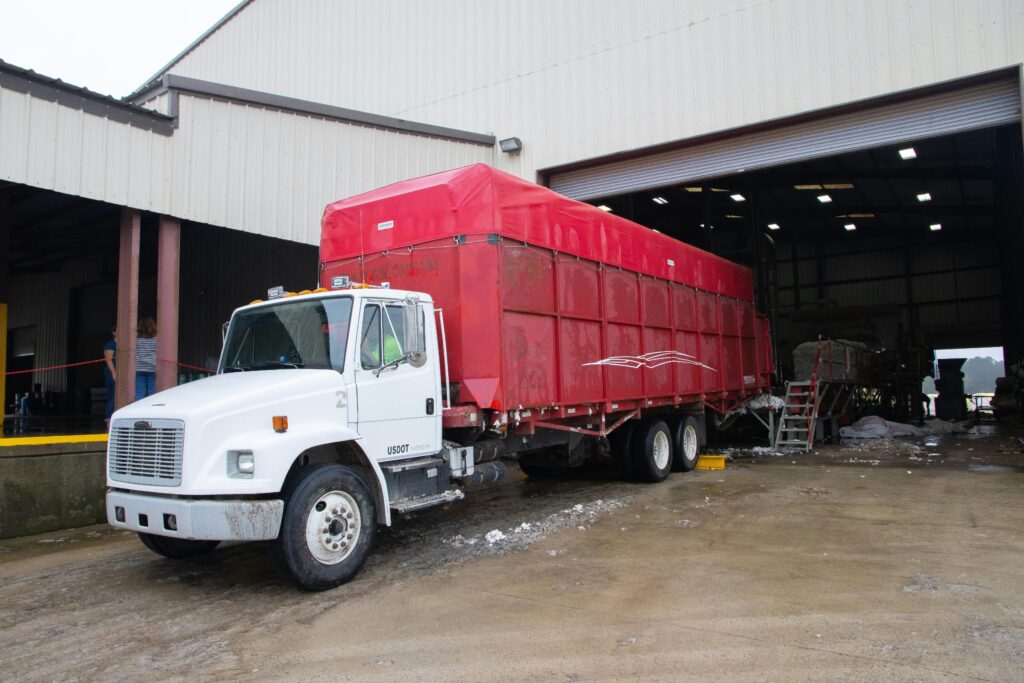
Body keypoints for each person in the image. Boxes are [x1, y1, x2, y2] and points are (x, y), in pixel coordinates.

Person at [135, 318, 158, 400]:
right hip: (153, 368)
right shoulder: (157, 340)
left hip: (139, 368)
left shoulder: (136, 340)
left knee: (139, 394)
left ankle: (138, 411)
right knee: (152, 395)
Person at [103, 328, 116, 422]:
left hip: (121, 373)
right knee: (112, 396)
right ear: (114, 332)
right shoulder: (110, 345)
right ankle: (108, 419)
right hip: (111, 373)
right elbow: (109, 360)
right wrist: (114, 373)